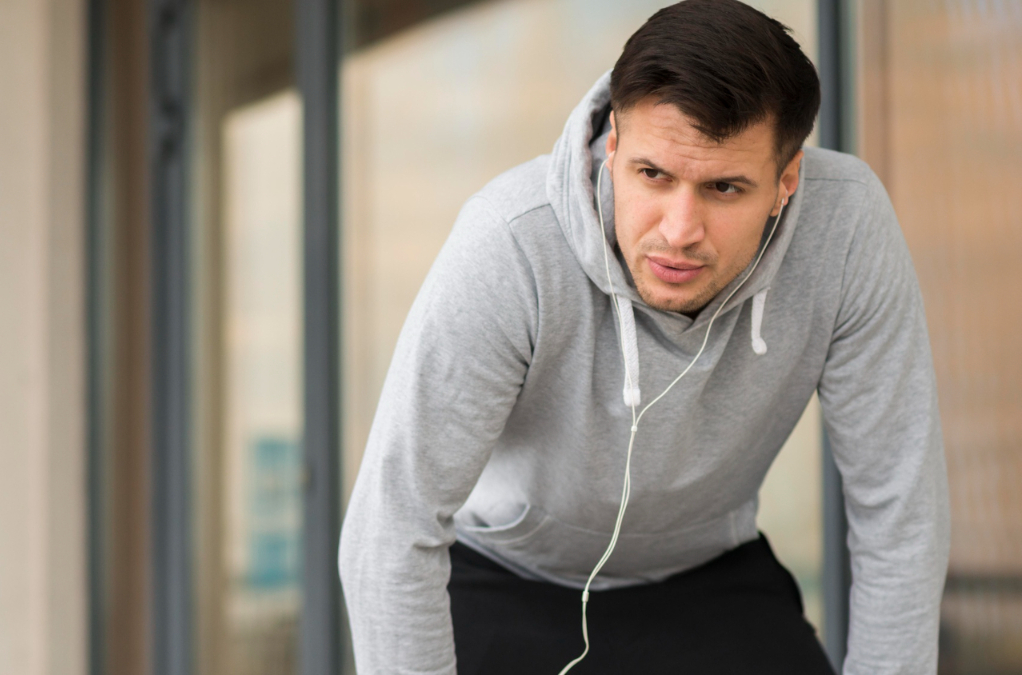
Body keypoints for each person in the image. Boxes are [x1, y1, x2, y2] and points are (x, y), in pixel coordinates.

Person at [338, 1, 950, 673]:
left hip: (708, 576)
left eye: (724, 187)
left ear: (787, 181)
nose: (680, 229)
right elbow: (392, 525)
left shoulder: (846, 229)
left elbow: (900, 509)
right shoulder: (509, 244)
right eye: (653, 175)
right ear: (613, 148)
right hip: (503, 575)